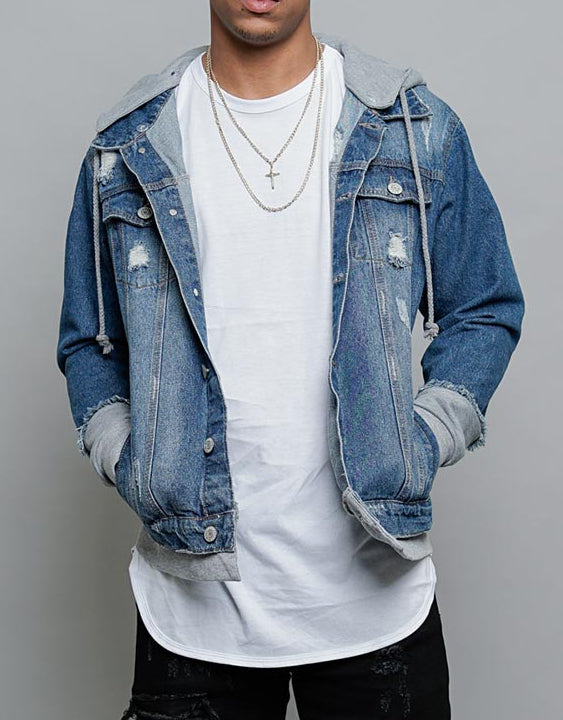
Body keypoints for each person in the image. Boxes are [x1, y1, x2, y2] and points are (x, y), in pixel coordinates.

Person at [56, 1, 525, 718]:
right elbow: (88, 341)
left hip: (379, 613)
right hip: (190, 618)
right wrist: (133, 460)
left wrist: (422, 439)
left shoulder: (412, 126)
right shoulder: (126, 146)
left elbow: (484, 306)